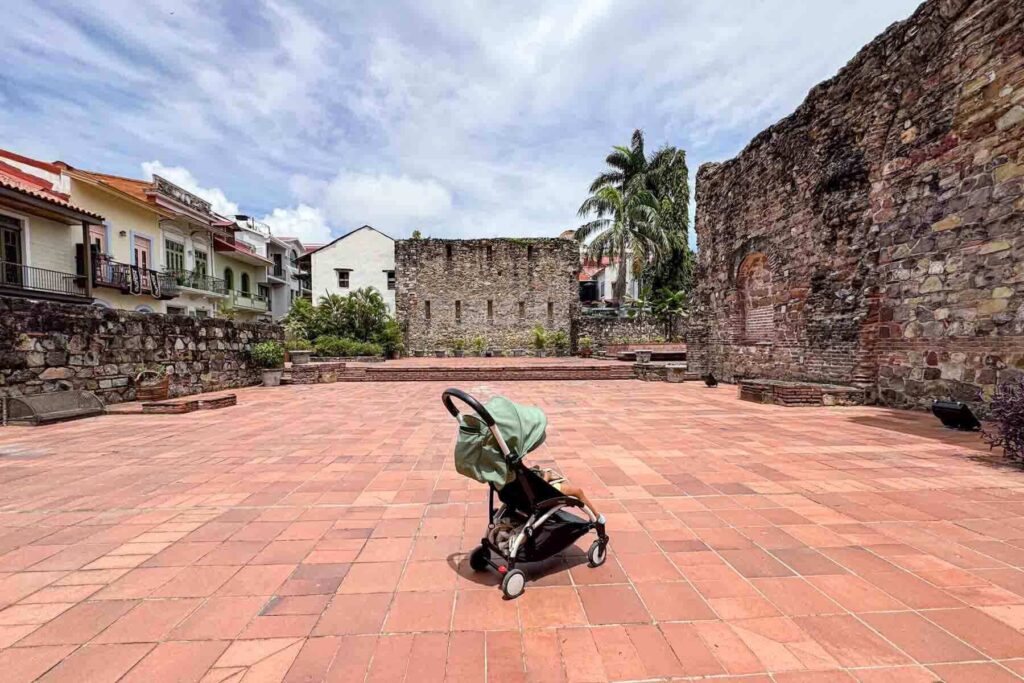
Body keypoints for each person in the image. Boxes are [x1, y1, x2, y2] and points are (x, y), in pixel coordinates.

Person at [533, 466, 604, 522]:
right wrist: (546, 476)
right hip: (542, 492)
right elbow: (543, 488)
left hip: (533, 488)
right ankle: (596, 516)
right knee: (578, 492)